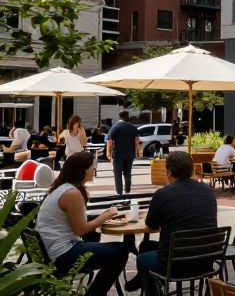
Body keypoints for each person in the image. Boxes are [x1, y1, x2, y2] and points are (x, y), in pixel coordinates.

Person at [36, 151, 129, 296]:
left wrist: (101, 216)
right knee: (120, 252)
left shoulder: (63, 188)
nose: (95, 170)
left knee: (113, 247)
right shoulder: (71, 193)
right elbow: (80, 230)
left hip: (55, 249)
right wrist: (105, 216)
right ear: (82, 170)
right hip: (62, 254)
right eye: (92, 167)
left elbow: (76, 220)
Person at [135, 150, 218, 296]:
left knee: (142, 258)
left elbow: (150, 227)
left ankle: (152, 289)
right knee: (146, 246)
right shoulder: (208, 191)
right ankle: (151, 283)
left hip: (174, 265)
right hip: (206, 261)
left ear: (169, 171)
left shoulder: (163, 194)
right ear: (191, 169)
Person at [106, 110, 140, 196]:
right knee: (127, 173)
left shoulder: (115, 127)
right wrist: (138, 152)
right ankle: (127, 191)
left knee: (117, 173)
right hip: (130, 153)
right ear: (127, 116)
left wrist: (108, 153)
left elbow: (109, 141)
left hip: (118, 154)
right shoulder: (133, 127)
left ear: (119, 116)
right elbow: (137, 141)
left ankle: (119, 193)